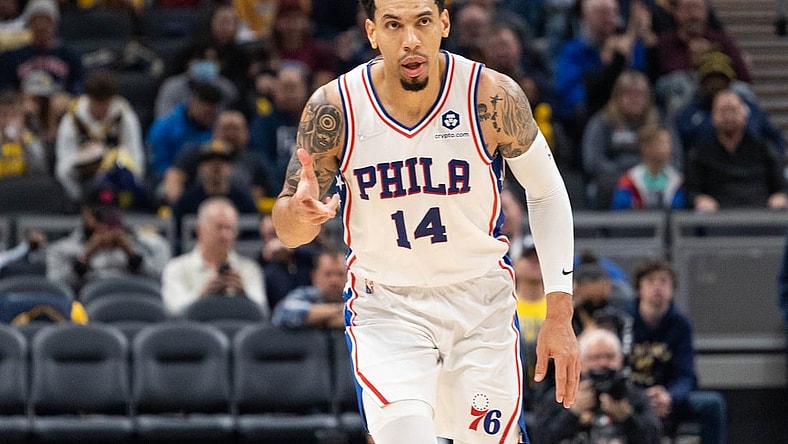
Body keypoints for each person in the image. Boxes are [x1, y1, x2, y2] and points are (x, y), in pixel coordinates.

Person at [270, 1, 579, 443]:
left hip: (480, 306)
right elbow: (289, 230)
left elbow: (547, 191)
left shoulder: (490, 96)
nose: (411, 40)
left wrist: (559, 312)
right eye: (394, 25)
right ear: (372, 32)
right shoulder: (334, 108)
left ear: (445, 24)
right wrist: (301, 214)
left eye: (423, 22)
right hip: (388, 307)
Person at [626, 258, 727, 444]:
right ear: (639, 288)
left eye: (664, 281)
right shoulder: (623, 320)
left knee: (713, 404)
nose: (657, 287)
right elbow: (616, 369)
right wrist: (639, 397)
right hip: (631, 398)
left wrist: (669, 396)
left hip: (669, 399)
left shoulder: (681, 325)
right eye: (650, 281)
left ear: (673, 289)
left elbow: (687, 375)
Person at [534, 327, 662, 444]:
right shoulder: (560, 396)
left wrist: (626, 416)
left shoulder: (635, 395)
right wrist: (573, 412)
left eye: (609, 356)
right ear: (580, 363)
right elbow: (539, 438)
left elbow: (654, 437)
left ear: (621, 360)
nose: (603, 363)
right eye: (595, 357)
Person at [45, 184, 171, 292]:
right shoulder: (61, 249)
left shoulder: (151, 244)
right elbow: (56, 288)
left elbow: (163, 283)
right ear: (86, 214)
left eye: (111, 214)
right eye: (99, 215)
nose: (105, 220)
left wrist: (132, 255)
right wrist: (85, 257)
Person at [161, 196, 268, 317]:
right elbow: (172, 310)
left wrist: (244, 294)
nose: (225, 235)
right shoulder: (176, 267)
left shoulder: (249, 269)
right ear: (200, 230)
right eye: (219, 227)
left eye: (230, 228)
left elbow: (261, 311)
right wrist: (202, 295)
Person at [684, 90, 788, 212]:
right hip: (717, 216)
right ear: (713, 116)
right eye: (723, 111)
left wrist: (780, 196)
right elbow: (691, 191)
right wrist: (699, 199)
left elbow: (782, 186)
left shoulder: (764, 148)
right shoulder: (698, 153)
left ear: (744, 115)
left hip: (761, 213)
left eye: (733, 110)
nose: (728, 117)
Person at [54, 70, 146, 204]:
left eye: (105, 103)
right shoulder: (72, 118)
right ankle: (78, 202)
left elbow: (135, 156)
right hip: (83, 178)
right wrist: (83, 159)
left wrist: (110, 159)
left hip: (116, 177)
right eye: (97, 103)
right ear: (88, 98)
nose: (101, 108)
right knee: (63, 171)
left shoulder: (125, 116)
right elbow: (63, 162)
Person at [581, 70, 667, 209]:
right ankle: (605, 230)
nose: (634, 99)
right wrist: (628, 177)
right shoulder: (602, 122)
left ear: (649, 97)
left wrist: (643, 176)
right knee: (605, 184)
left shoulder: (660, 121)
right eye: (628, 94)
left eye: (639, 94)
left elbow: (674, 157)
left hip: (653, 177)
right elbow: (592, 160)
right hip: (614, 179)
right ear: (617, 96)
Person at [0, 0, 84, 95]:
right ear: (28, 24)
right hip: (23, 103)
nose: (41, 25)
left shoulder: (70, 55)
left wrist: (67, 97)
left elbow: (79, 84)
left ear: (54, 23)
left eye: (46, 21)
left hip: (60, 102)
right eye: (36, 21)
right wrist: (19, 98)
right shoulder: (12, 56)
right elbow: (5, 88)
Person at [611, 124, 685, 210]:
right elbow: (620, 211)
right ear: (646, 147)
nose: (668, 148)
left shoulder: (676, 180)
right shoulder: (630, 180)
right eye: (661, 143)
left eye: (668, 143)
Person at [271, 248, 347, 329]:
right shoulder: (308, 294)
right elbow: (283, 312)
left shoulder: (358, 297)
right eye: (328, 274)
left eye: (340, 274)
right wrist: (340, 310)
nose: (334, 281)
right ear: (314, 277)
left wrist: (316, 318)